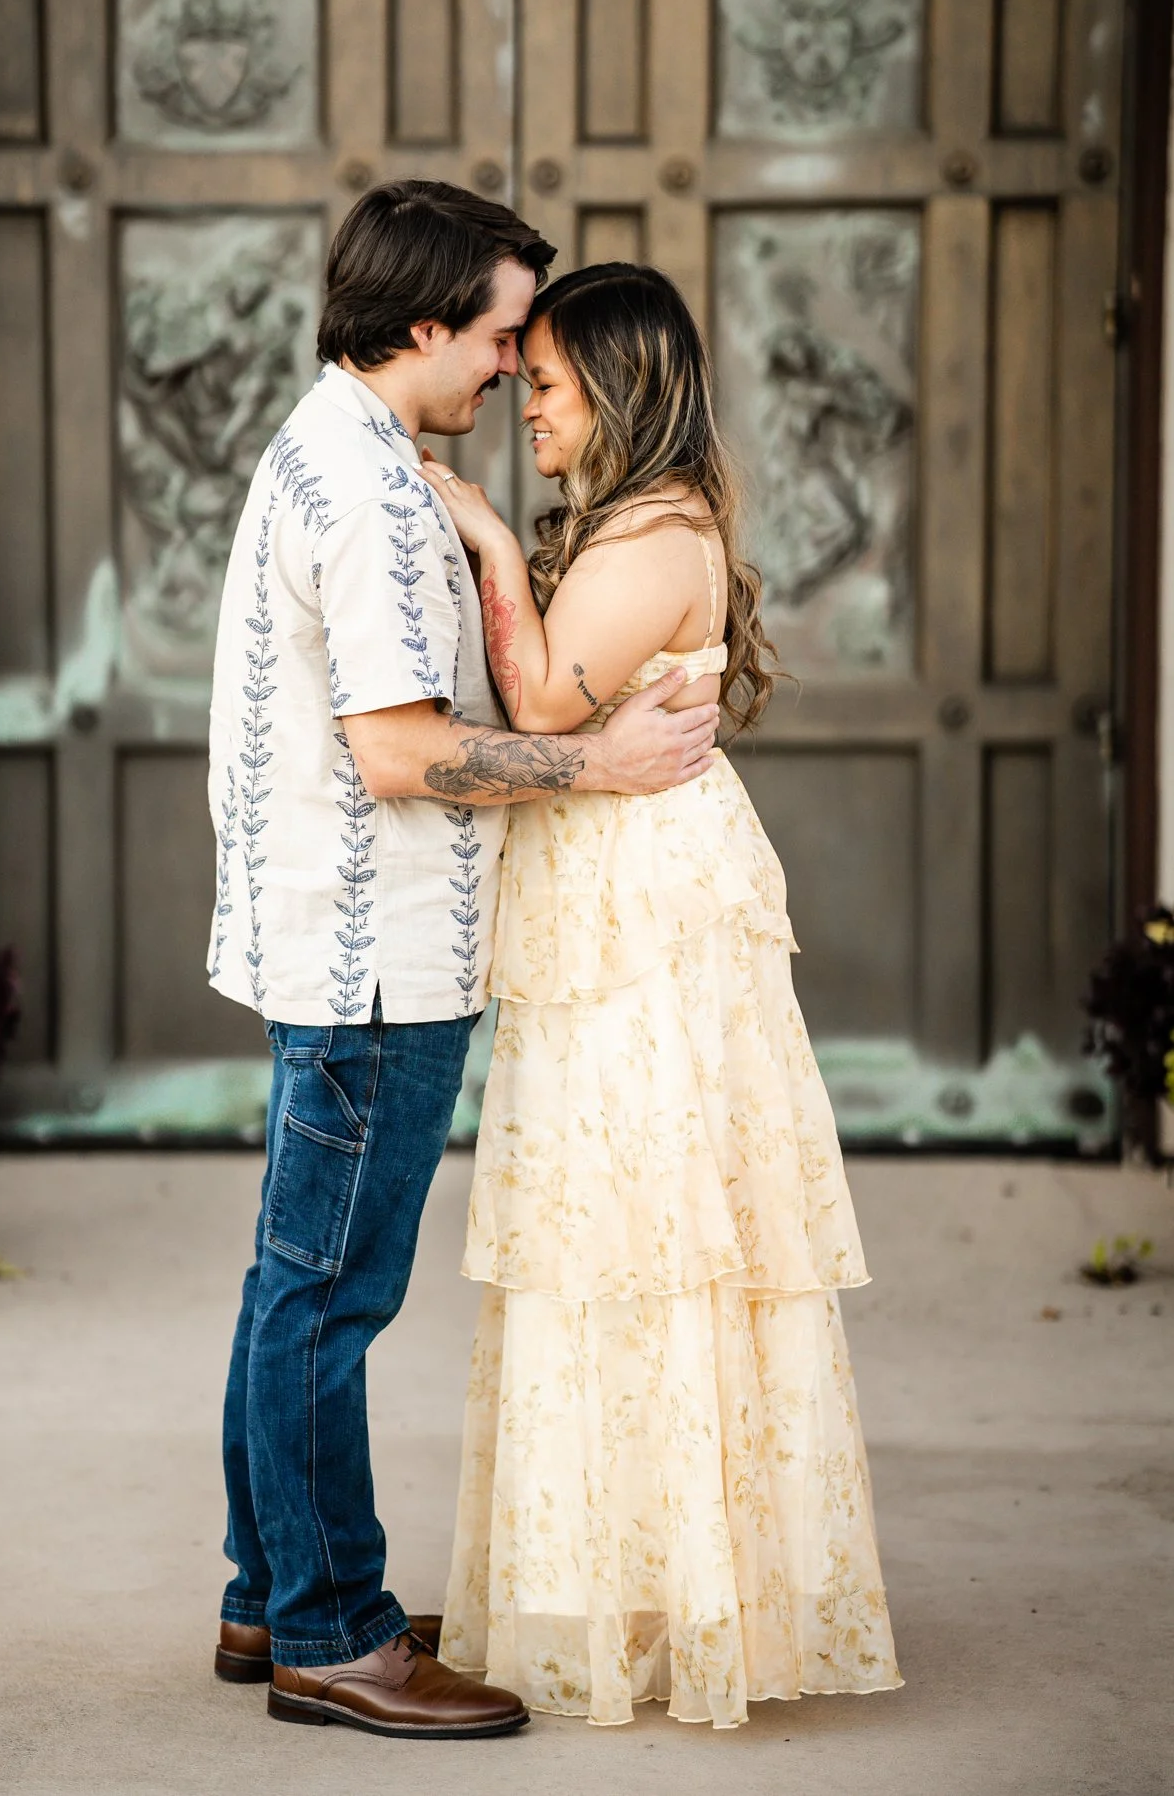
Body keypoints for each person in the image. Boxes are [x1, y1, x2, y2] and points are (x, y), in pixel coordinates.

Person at [204, 187, 720, 1741]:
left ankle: (268, 1590)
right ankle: (331, 1630)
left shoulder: (347, 453)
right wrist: (601, 770)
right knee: (329, 1299)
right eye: (500, 334)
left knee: (291, 1282)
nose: (510, 365)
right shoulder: (362, 488)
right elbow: (396, 751)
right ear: (422, 319)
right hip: (377, 960)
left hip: (353, 944)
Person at [424, 263, 902, 1729]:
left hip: (647, 923)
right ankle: (632, 1579)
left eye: (553, 388)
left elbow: (544, 704)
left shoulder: (652, 530)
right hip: (617, 898)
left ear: (619, 392)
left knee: (646, 1234)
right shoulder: (647, 520)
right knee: (614, 1234)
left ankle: (675, 1599)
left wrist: (495, 544)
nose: (533, 411)